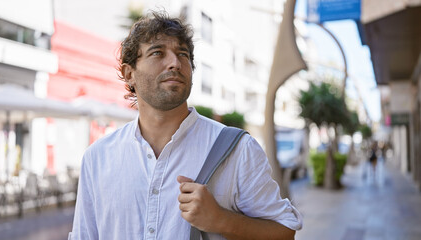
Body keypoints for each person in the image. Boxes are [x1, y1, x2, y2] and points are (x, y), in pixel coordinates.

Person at [68, 11, 302, 240]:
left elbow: (284, 232)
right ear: (129, 74)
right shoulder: (97, 158)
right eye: (158, 53)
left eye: (183, 54)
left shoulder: (239, 149)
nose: (175, 63)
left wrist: (221, 220)